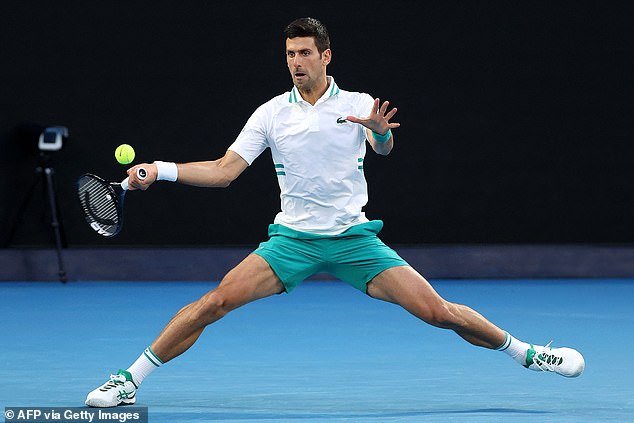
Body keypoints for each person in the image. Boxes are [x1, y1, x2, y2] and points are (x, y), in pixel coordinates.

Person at [85, 17, 584, 408]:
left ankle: (529, 354)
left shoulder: (360, 103)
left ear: (325, 56)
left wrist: (382, 132)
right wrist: (163, 169)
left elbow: (383, 148)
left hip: (354, 241)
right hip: (292, 242)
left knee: (437, 312)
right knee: (214, 303)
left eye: (304, 53)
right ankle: (129, 379)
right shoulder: (270, 113)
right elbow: (223, 170)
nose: (295, 62)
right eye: (289, 54)